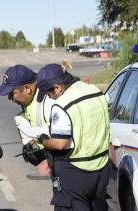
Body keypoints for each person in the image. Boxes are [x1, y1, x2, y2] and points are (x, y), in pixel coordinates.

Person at [35, 63, 110, 211]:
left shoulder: (62, 104)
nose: (51, 99)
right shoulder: (95, 91)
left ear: (58, 87)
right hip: (101, 168)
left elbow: (60, 143)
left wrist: (43, 140)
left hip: (77, 172)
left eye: (50, 95)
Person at [0, 64, 54, 180]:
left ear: (27, 89)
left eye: (12, 94)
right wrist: (30, 144)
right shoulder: (29, 100)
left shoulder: (49, 101)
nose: (10, 99)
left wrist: (47, 157)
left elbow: (63, 138)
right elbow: (38, 126)